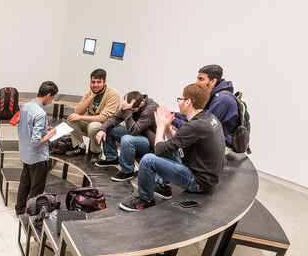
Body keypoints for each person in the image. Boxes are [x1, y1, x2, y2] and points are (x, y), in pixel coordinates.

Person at [120, 83, 225, 211]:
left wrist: (160, 126)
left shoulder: (194, 126)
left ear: (188, 102)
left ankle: (145, 200)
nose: (178, 102)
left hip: (199, 182)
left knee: (148, 160)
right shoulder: (207, 118)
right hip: (207, 176)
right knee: (169, 147)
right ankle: (163, 187)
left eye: (180, 99)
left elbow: (159, 150)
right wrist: (168, 129)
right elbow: (176, 141)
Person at [15, 81, 59, 215]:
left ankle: (19, 210)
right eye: (52, 98)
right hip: (37, 157)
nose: (51, 101)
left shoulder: (26, 106)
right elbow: (35, 142)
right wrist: (49, 134)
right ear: (48, 95)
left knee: (24, 183)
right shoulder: (40, 114)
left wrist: (45, 129)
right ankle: (31, 215)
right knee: (36, 189)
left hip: (26, 154)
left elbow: (25, 128)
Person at [93, 91, 159, 181]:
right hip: (137, 133)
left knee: (127, 139)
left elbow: (134, 130)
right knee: (108, 128)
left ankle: (127, 171)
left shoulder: (151, 109)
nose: (130, 112)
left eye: (132, 111)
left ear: (141, 104)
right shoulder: (130, 106)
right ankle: (111, 158)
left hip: (150, 142)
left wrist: (127, 111)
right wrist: (102, 129)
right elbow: (114, 118)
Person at [173, 64, 239, 149]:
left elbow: (200, 127)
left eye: (201, 79)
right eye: (197, 78)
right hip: (214, 140)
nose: (196, 82)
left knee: (174, 129)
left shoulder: (222, 100)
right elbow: (195, 117)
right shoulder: (213, 96)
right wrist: (172, 114)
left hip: (224, 146)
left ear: (213, 81)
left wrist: (173, 119)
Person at [63, 69, 120, 158]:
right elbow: (78, 112)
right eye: (93, 82)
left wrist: (80, 117)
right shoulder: (90, 92)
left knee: (93, 126)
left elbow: (102, 118)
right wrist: (91, 96)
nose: (95, 85)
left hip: (106, 127)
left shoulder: (113, 94)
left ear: (104, 82)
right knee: (71, 118)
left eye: (98, 82)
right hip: (91, 123)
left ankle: (96, 152)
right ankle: (80, 147)